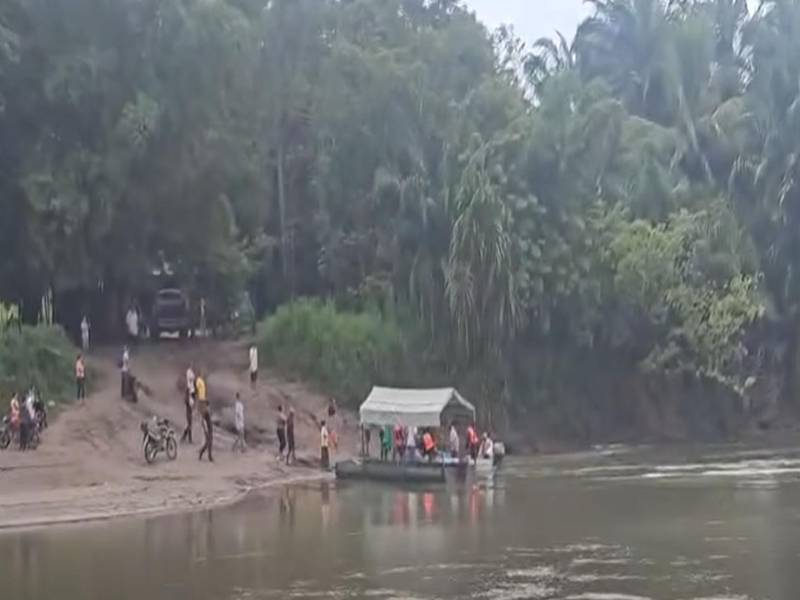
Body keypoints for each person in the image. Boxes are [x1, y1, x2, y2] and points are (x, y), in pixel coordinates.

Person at [196, 372, 212, 462]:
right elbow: (203, 420)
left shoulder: (206, 411)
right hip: (206, 427)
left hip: (208, 427)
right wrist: (206, 428)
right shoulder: (203, 410)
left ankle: (208, 455)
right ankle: (202, 453)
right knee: (207, 442)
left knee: (209, 441)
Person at [181, 365, 196, 443]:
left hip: (189, 405)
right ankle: (186, 438)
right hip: (189, 405)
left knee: (189, 423)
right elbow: (189, 397)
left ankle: (187, 438)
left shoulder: (190, 387)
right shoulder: (189, 387)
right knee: (189, 423)